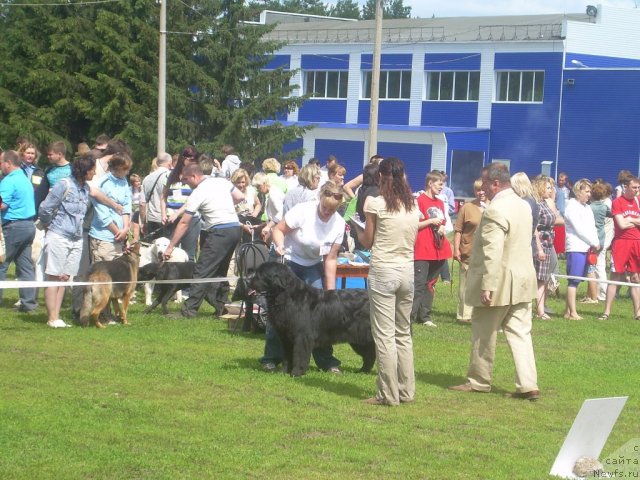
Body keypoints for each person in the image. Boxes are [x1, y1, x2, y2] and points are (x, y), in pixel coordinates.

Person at [449, 163, 539, 401]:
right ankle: (528, 384)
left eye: (485, 182)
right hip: (523, 279)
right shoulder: (523, 204)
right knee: (521, 333)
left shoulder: (495, 209)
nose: (482, 187)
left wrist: (488, 284)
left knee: (483, 333)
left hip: (499, 281)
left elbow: (493, 250)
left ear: (496, 183)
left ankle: (479, 381)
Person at [353, 157, 420, 406]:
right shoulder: (413, 206)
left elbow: (368, 241)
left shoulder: (375, 203)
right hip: (406, 272)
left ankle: (388, 394)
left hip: (383, 271)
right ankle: (406, 391)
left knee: (384, 336)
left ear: (381, 177)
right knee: (403, 333)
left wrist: (357, 229)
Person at [263, 181, 347, 373]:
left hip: (311, 266)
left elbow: (330, 259)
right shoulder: (303, 211)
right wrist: (279, 246)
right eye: (325, 208)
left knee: (321, 315)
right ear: (320, 200)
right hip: (289, 261)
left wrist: (331, 291)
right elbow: (278, 230)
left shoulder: (339, 224)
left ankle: (326, 361)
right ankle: (271, 358)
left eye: (332, 210)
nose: (327, 212)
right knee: (280, 314)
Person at [164, 164, 244, 317]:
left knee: (202, 271)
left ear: (194, 176)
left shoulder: (198, 192)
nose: (185, 183)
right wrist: (223, 206)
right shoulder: (222, 181)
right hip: (234, 229)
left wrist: (170, 246)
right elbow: (240, 197)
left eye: (186, 180)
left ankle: (189, 310)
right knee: (220, 271)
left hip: (219, 231)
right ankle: (222, 306)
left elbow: (184, 222)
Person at [38, 154, 95, 328]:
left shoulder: (86, 188)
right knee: (53, 275)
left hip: (76, 238)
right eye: (92, 170)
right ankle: (52, 317)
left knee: (64, 277)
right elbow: (45, 208)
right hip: (59, 235)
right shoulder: (64, 185)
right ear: (84, 170)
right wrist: (51, 225)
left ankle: (57, 317)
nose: (94, 173)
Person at [411, 170, 452, 327]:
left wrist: (442, 227)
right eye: (439, 184)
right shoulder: (419, 201)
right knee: (419, 283)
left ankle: (425, 315)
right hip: (422, 248)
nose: (441, 187)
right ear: (430, 183)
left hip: (437, 248)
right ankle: (410, 316)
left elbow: (443, 222)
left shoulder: (440, 202)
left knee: (430, 283)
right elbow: (414, 224)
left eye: (443, 184)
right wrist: (430, 221)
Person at [0, 150, 38, 312]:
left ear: (8, 163)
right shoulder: (24, 178)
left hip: (13, 226)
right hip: (29, 226)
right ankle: (29, 303)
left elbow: (3, 205)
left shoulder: (8, 181)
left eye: (1, 162)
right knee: (25, 266)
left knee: (2, 263)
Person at [598, 176, 640, 321]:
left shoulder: (638, 201)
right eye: (634, 188)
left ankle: (638, 313)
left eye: (638, 188)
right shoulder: (617, 202)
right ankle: (606, 311)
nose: (637, 191)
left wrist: (630, 219)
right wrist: (635, 222)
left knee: (635, 277)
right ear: (626, 187)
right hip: (621, 243)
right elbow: (621, 225)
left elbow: (626, 221)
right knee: (615, 276)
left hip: (636, 242)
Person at [563, 179, 599, 320]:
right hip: (575, 247)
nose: (589, 194)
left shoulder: (587, 208)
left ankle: (567, 311)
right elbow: (579, 229)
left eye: (590, 191)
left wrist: (595, 243)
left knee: (577, 280)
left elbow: (591, 227)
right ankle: (573, 313)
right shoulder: (571, 206)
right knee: (574, 280)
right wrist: (593, 242)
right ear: (578, 191)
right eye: (587, 191)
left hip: (586, 247)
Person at [453, 178, 486, 324]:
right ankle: (464, 315)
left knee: (483, 284)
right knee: (466, 284)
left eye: (484, 189)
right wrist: (456, 249)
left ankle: (479, 314)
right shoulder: (467, 207)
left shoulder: (494, 207)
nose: (481, 193)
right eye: (478, 190)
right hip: (468, 250)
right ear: (474, 191)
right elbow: (458, 230)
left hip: (487, 252)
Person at [88, 153, 132, 263]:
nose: (128, 172)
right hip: (104, 237)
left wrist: (126, 228)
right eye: (125, 169)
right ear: (117, 168)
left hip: (120, 238)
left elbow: (126, 205)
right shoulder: (102, 183)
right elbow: (102, 214)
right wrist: (118, 233)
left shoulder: (124, 181)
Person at [160, 147, 200, 261]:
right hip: (171, 220)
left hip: (190, 219)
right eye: (190, 159)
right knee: (169, 253)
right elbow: (163, 196)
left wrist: (177, 213)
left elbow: (193, 199)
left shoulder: (195, 176)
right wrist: (163, 214)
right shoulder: (170, 175)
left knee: (188, 255)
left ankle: (188, 278)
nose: (193, 162)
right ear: (183, 159)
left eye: (195, 160)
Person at [531, 175, 558, 320]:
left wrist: (552, 198)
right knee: (539, 278)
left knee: (544, 278)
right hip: (540, 243)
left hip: (549, 243)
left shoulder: (546, 203)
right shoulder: (536, 204)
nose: (551, 190)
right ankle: (540, 311)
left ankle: (541, 309)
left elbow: (554, 217)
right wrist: (539, 248)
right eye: (548, 187)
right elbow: (534, 227)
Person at [584, 181, 612, 303]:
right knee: (598, 266)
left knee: (596, 267)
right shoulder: (605, 207)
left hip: (593, 239)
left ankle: (601, 293)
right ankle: (595, 293)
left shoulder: (589, 208)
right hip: (602, 237)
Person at [141, 153, 172, 240]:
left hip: (152, 218)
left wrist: (143, 222)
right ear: (170, 163)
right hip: (167, 218)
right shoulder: (171, 176)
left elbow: (142, 203)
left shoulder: (147, 178)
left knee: (153, 249)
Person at [254, 172, 285, 244]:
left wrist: (268, 227)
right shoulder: (272, 192)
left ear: (264, 184)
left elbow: (280, 213)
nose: (258, 189)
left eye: (258, 186)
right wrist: (261, 226)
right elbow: (273, 216)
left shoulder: (273, 194)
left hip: (278, 231)